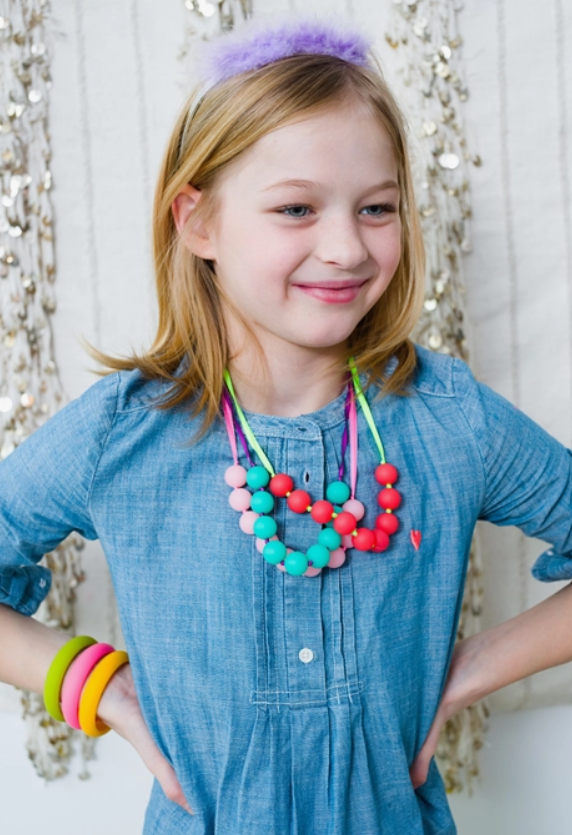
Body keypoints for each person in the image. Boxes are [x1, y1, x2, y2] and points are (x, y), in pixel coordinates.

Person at [1, 13, 571, 835]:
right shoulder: (122, 434)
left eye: (377, 207)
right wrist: (91, 680)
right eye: (298, 208)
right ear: (197, 223)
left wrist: (473, 665)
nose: (345, 247)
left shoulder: (448, 417)